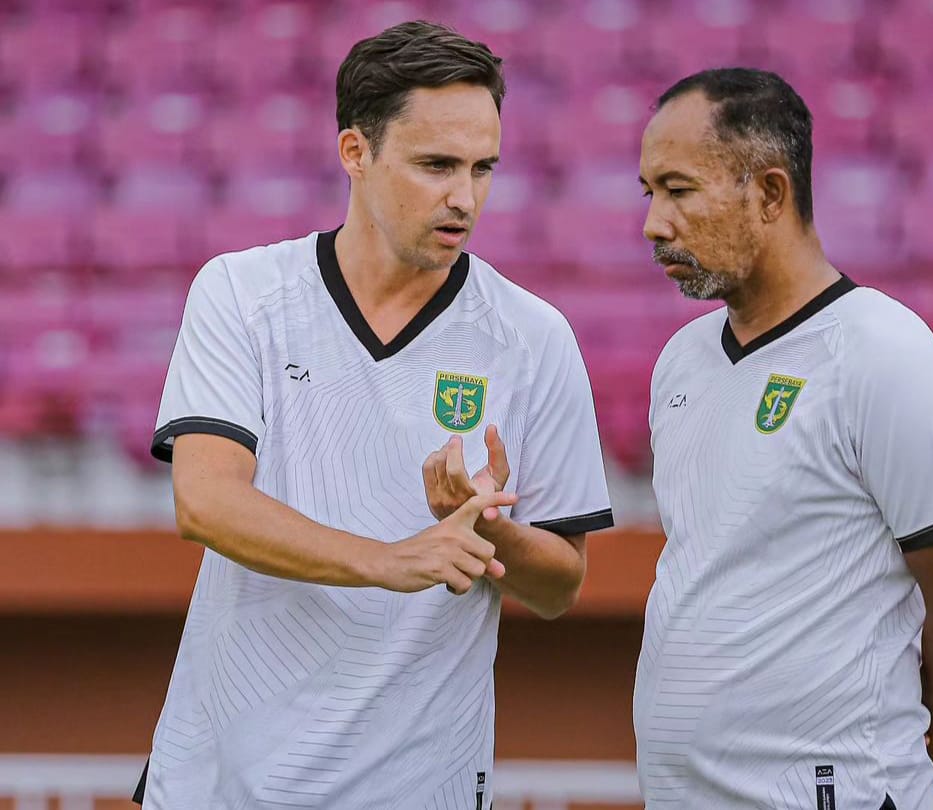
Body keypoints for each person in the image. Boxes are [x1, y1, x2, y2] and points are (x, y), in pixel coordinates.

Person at [135, 21, 613, 809]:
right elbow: (206, 501)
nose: (464, 197)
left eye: (483, 168)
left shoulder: (533, 337)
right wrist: (392, 559)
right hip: (222, 782)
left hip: (421, 785)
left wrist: (488, 532)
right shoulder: (243, 294)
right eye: (435, 166)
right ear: (356, 153)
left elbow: (561, 584)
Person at [632, 68, 933, 809]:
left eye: (678, 190)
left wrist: (921, 751)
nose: (653, 221)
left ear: (770, 194)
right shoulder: (681, 360)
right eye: (647, 191)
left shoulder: (882, 354)